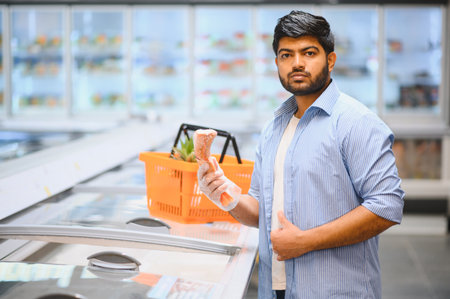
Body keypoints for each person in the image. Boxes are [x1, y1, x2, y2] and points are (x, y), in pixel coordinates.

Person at [197, 10, 404, 299]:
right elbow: (262, 212)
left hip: (335, 291)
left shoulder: (356, 123)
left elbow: (387, 206)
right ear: (277, 62)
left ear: (330, 60)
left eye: (308, 53)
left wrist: (305, 241)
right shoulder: (273, 128)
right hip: (277, 289)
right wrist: (225, 194)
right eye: (286, 55)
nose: (297, 63)